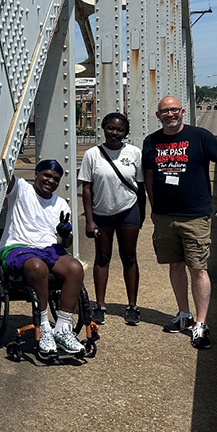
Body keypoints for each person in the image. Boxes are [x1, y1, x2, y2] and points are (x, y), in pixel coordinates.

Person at [143, 96, 217, 349]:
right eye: (165, 111)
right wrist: (154, 207)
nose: (170, 114)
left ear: (182, 112)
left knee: (198, 269)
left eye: (174, 110)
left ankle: (201, 323)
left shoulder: (200, 137)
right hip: (165, 217)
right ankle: (184, 315)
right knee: (175, 266)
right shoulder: (152, 141)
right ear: (158, 116)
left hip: (195, 216)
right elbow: (149, 175)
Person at [0, 159, 86, 356]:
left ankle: (63, 329)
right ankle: (44, 325)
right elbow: (4, 171)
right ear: (36, 174)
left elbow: (65, 243)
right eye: (46, 175)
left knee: (75, 267)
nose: (50, 181)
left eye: (55, 179)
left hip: (48, 248)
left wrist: (65, 234)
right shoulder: (20, 189)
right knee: (38, 267)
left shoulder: (61, 204)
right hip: (18, 246)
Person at [78, 112, 145, 326]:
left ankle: (132, 306)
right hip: (101, 213)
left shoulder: (134, 153)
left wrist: (141, 215)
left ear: (126, 132)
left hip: (128, 211)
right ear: (104, 128)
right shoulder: (92, 155)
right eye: (111, 128)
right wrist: (89, 219)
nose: (115, 133)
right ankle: (100, 305)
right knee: (102, 257)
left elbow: (141, 187)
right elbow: (86, 188)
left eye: (120, 130)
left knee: (129, 257)